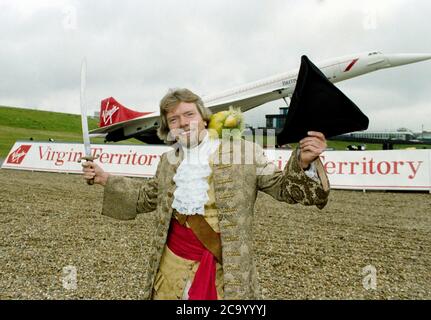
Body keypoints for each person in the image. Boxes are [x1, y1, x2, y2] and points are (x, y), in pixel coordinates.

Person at [82, 88, 330, 300]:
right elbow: (147, 197)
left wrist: (303, 162)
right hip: (171, 267)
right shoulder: (168, 162)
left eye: (189, 114)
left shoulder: (243, 152)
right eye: (174, 119)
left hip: (227, 271)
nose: (183, 123)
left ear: (203, 118)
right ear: (168, 128)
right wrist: (105, 179)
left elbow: (284, 189)